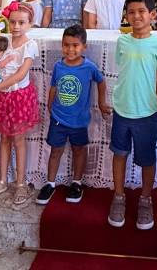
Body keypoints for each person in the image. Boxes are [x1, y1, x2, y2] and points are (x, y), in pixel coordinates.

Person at [108, 0, 157, 230]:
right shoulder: (122, 42)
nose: (136, 16)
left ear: (153, 14)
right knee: (120, 153)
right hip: (123, 108)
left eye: (142, 11)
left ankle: (145, 199)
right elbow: (123, 70)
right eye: (131, 12)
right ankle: (118, 196)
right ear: (126, 15)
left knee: (146, 158)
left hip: (147, 111)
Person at [36, 25, 110, 206]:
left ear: (84, 46)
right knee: (55, 151)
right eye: (66, 45)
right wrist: (49, 104)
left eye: (75, 45)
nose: (70, 49)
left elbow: (101, 82)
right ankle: (50, 183)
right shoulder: (58, 66)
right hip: (58, 118)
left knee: (79, 150)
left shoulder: (89, 67)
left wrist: (102, 103)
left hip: (79, 120)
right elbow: (54, 86)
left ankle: (77, 183)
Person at [0, 2, 39, 206]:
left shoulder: (30, 45)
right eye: (12, 22)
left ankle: (21, 183)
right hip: (2, 98)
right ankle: (2, 180)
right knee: (4, 139)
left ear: (30, 24)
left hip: (18, 97)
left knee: (18, 140)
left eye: (21, 23)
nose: (16, 26)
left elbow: (21, 74)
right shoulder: (4, 42)